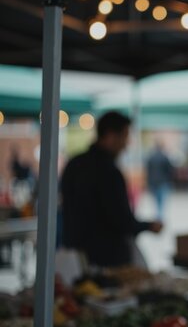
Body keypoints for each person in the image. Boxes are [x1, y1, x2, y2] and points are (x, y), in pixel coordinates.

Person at [61, 111, 162, 268]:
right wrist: (148, 226)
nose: (126, 144)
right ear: (110, 136)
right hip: (108, 259)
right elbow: (121, 220)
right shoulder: (109, 172)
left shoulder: (74, 164)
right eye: (124, 137)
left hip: (76, 254)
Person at [146, 140, 175, 221]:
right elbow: (170, 170)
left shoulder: (150, 157)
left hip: (153, 182)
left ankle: (158, 217)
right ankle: (160, 217)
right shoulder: (164, 157)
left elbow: (148, 171)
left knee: (156, 201)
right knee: (162, 201)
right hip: (163, 182)